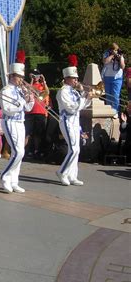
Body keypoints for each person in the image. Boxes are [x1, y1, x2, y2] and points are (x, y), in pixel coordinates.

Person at [0, 50, 34, 193]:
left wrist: (30, 98)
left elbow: (28, 108)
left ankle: (14, 181)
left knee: (20, 152)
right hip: (10, 122)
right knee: (18, 152)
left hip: (20, 122)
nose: (21, 79)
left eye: (22, 76)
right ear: (12, 76)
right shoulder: (5, 90)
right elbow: (7, 108)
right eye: (19, 76)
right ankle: (4, 176)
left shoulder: (21, 90)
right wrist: (21, 102)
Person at [56, 54, 92, 186]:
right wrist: (84, 98)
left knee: (77, 149)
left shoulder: (74, 91)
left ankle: (72, 175)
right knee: (73, 149)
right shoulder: (63, 92)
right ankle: (62, 172)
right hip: (67, 121)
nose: (77, 81)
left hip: (75, 122)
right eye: (74, 78)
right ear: (67, 79)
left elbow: (82, 106)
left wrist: (87, 96)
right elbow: (72, 108)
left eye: (77, 78)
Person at [24, 69, 50, 158]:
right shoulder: (29, 84)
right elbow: (27, 92)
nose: (35, 77)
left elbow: (47, 92)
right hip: (29, 112)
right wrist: (31, 80)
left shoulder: (42, 85)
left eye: (37, 75)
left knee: (38, 134)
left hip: (40, 112)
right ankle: (25, 151)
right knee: (27, 133)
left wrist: (44, 81)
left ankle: (37, 151)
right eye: (34, 75)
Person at [102, 43, 125, 113]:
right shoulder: (107, 54)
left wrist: (119, 57)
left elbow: (123, 66)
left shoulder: (120, 54)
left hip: (117, 78)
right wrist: (112, 55)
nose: (114, 50)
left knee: (115, 96)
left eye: (115, 49)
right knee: (108, 96)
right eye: (112, 49)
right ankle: (109, 112)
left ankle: (115, 112)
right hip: (107, 77)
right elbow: (105, 61)